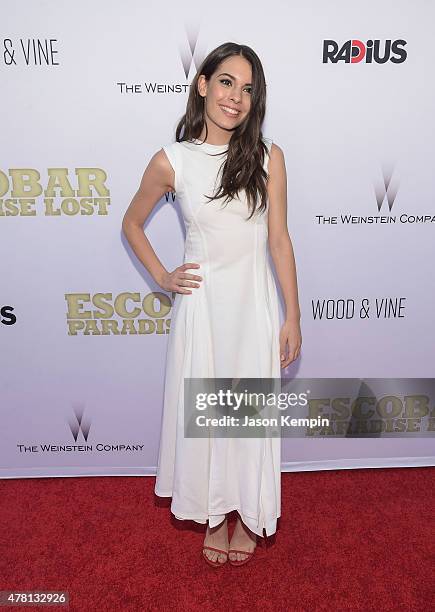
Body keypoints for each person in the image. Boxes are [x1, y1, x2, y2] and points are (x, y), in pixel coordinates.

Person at [122, 42, 301, 567]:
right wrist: (162, 275)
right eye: (226, 82)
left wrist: (292, 314)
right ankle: (216, 513)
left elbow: (280, 241)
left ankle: (245, 513)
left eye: (248, 89)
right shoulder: (171, 160)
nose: (236, 97)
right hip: (201, 309)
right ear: (202, 84)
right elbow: (131, 222)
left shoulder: (269, 158)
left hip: (254, 305)